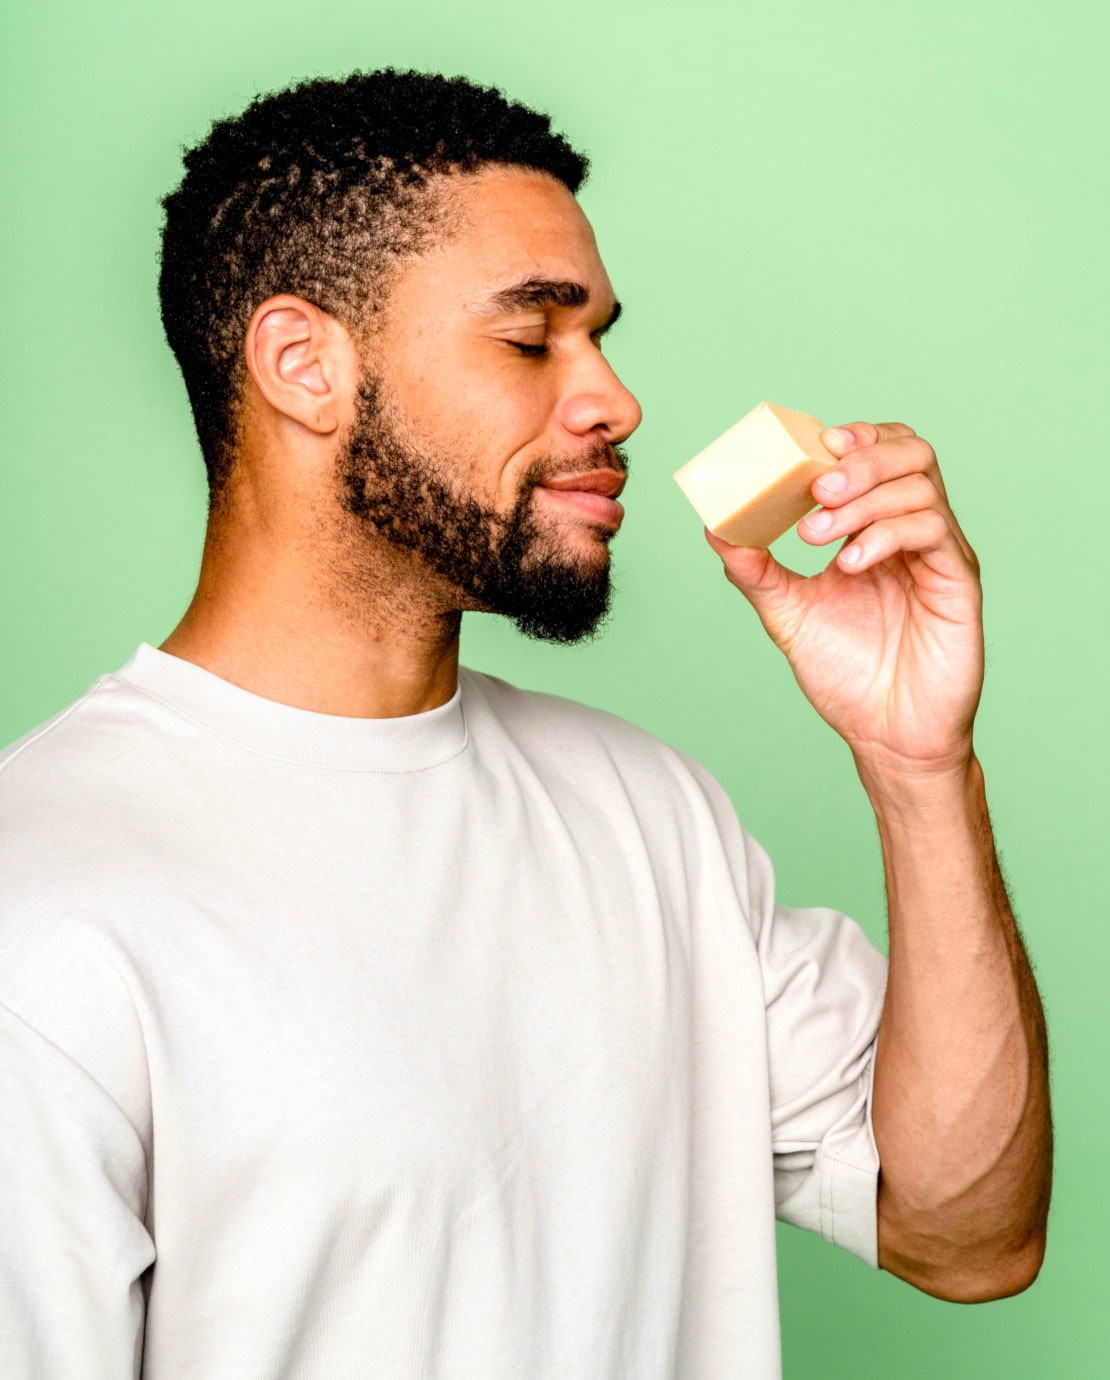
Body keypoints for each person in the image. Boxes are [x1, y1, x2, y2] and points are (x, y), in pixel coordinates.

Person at [0, 69, 1051, 1379]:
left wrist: (918, 764)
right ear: (302, 365)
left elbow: (967, 1238)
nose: (613, 400)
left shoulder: (651, 813)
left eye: (599, 336)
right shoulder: (41, 904)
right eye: (531, 338)